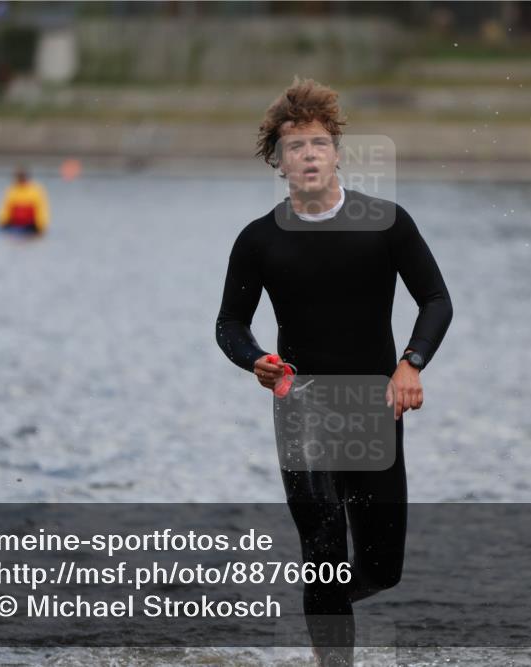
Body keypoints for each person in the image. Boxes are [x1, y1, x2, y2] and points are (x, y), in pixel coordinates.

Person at [215, 77, 453, 666]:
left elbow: (436, 300)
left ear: (338, 152)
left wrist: (410, 364)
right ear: (279, 161)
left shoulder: (387, 223)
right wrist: (258, 361)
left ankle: (321, 607)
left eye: (319, 143)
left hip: (374, 405)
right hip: (302, 404)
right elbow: (229, 326)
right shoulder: (259, 240)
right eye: (295, 147)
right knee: (321, 543)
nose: (309, 155)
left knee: (381, 567)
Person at [0, 167, 49, 235]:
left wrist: (41, 226)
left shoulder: (36, 190)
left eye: (21, 177)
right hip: (14, 224)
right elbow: (5, 209)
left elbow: (42, 209)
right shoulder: (12, 190)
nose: (20, 179)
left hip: (31, 225)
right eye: (18, 177)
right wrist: (1, 222)